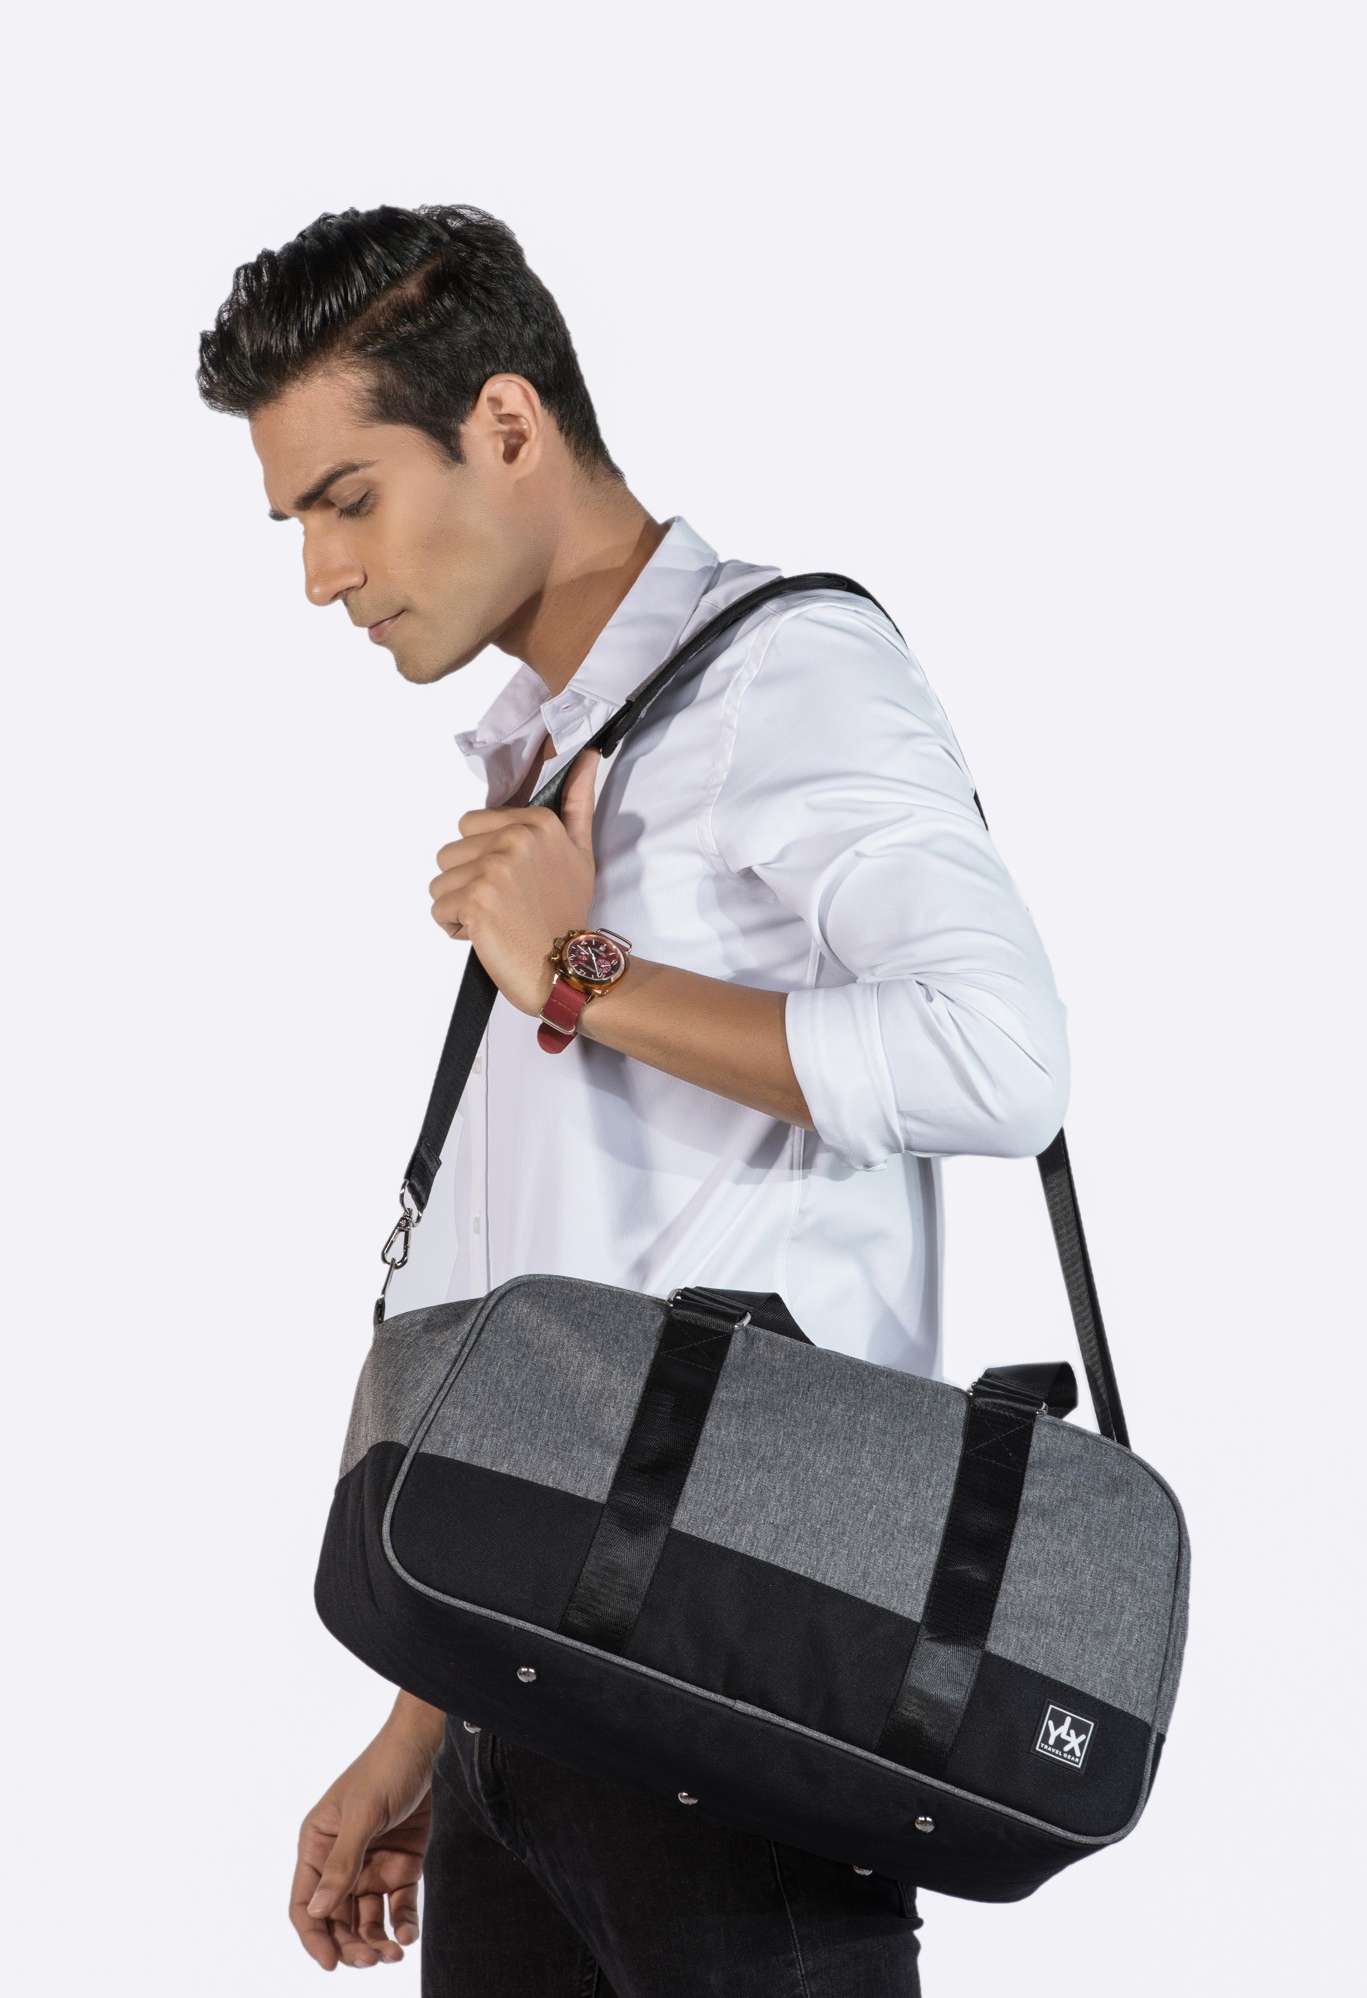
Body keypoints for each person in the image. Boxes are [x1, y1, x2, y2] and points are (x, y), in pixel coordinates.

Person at [197, 203, 1070, 1994]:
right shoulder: (564, 759)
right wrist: (424, 1721)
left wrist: (584, 976)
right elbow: (562, 1287)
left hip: (740, 1695)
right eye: (297, 523)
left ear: (507, 424)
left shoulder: (783, 679)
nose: (322, 575)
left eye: (347, 499)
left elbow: (1002, 1055)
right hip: (530, 1704)